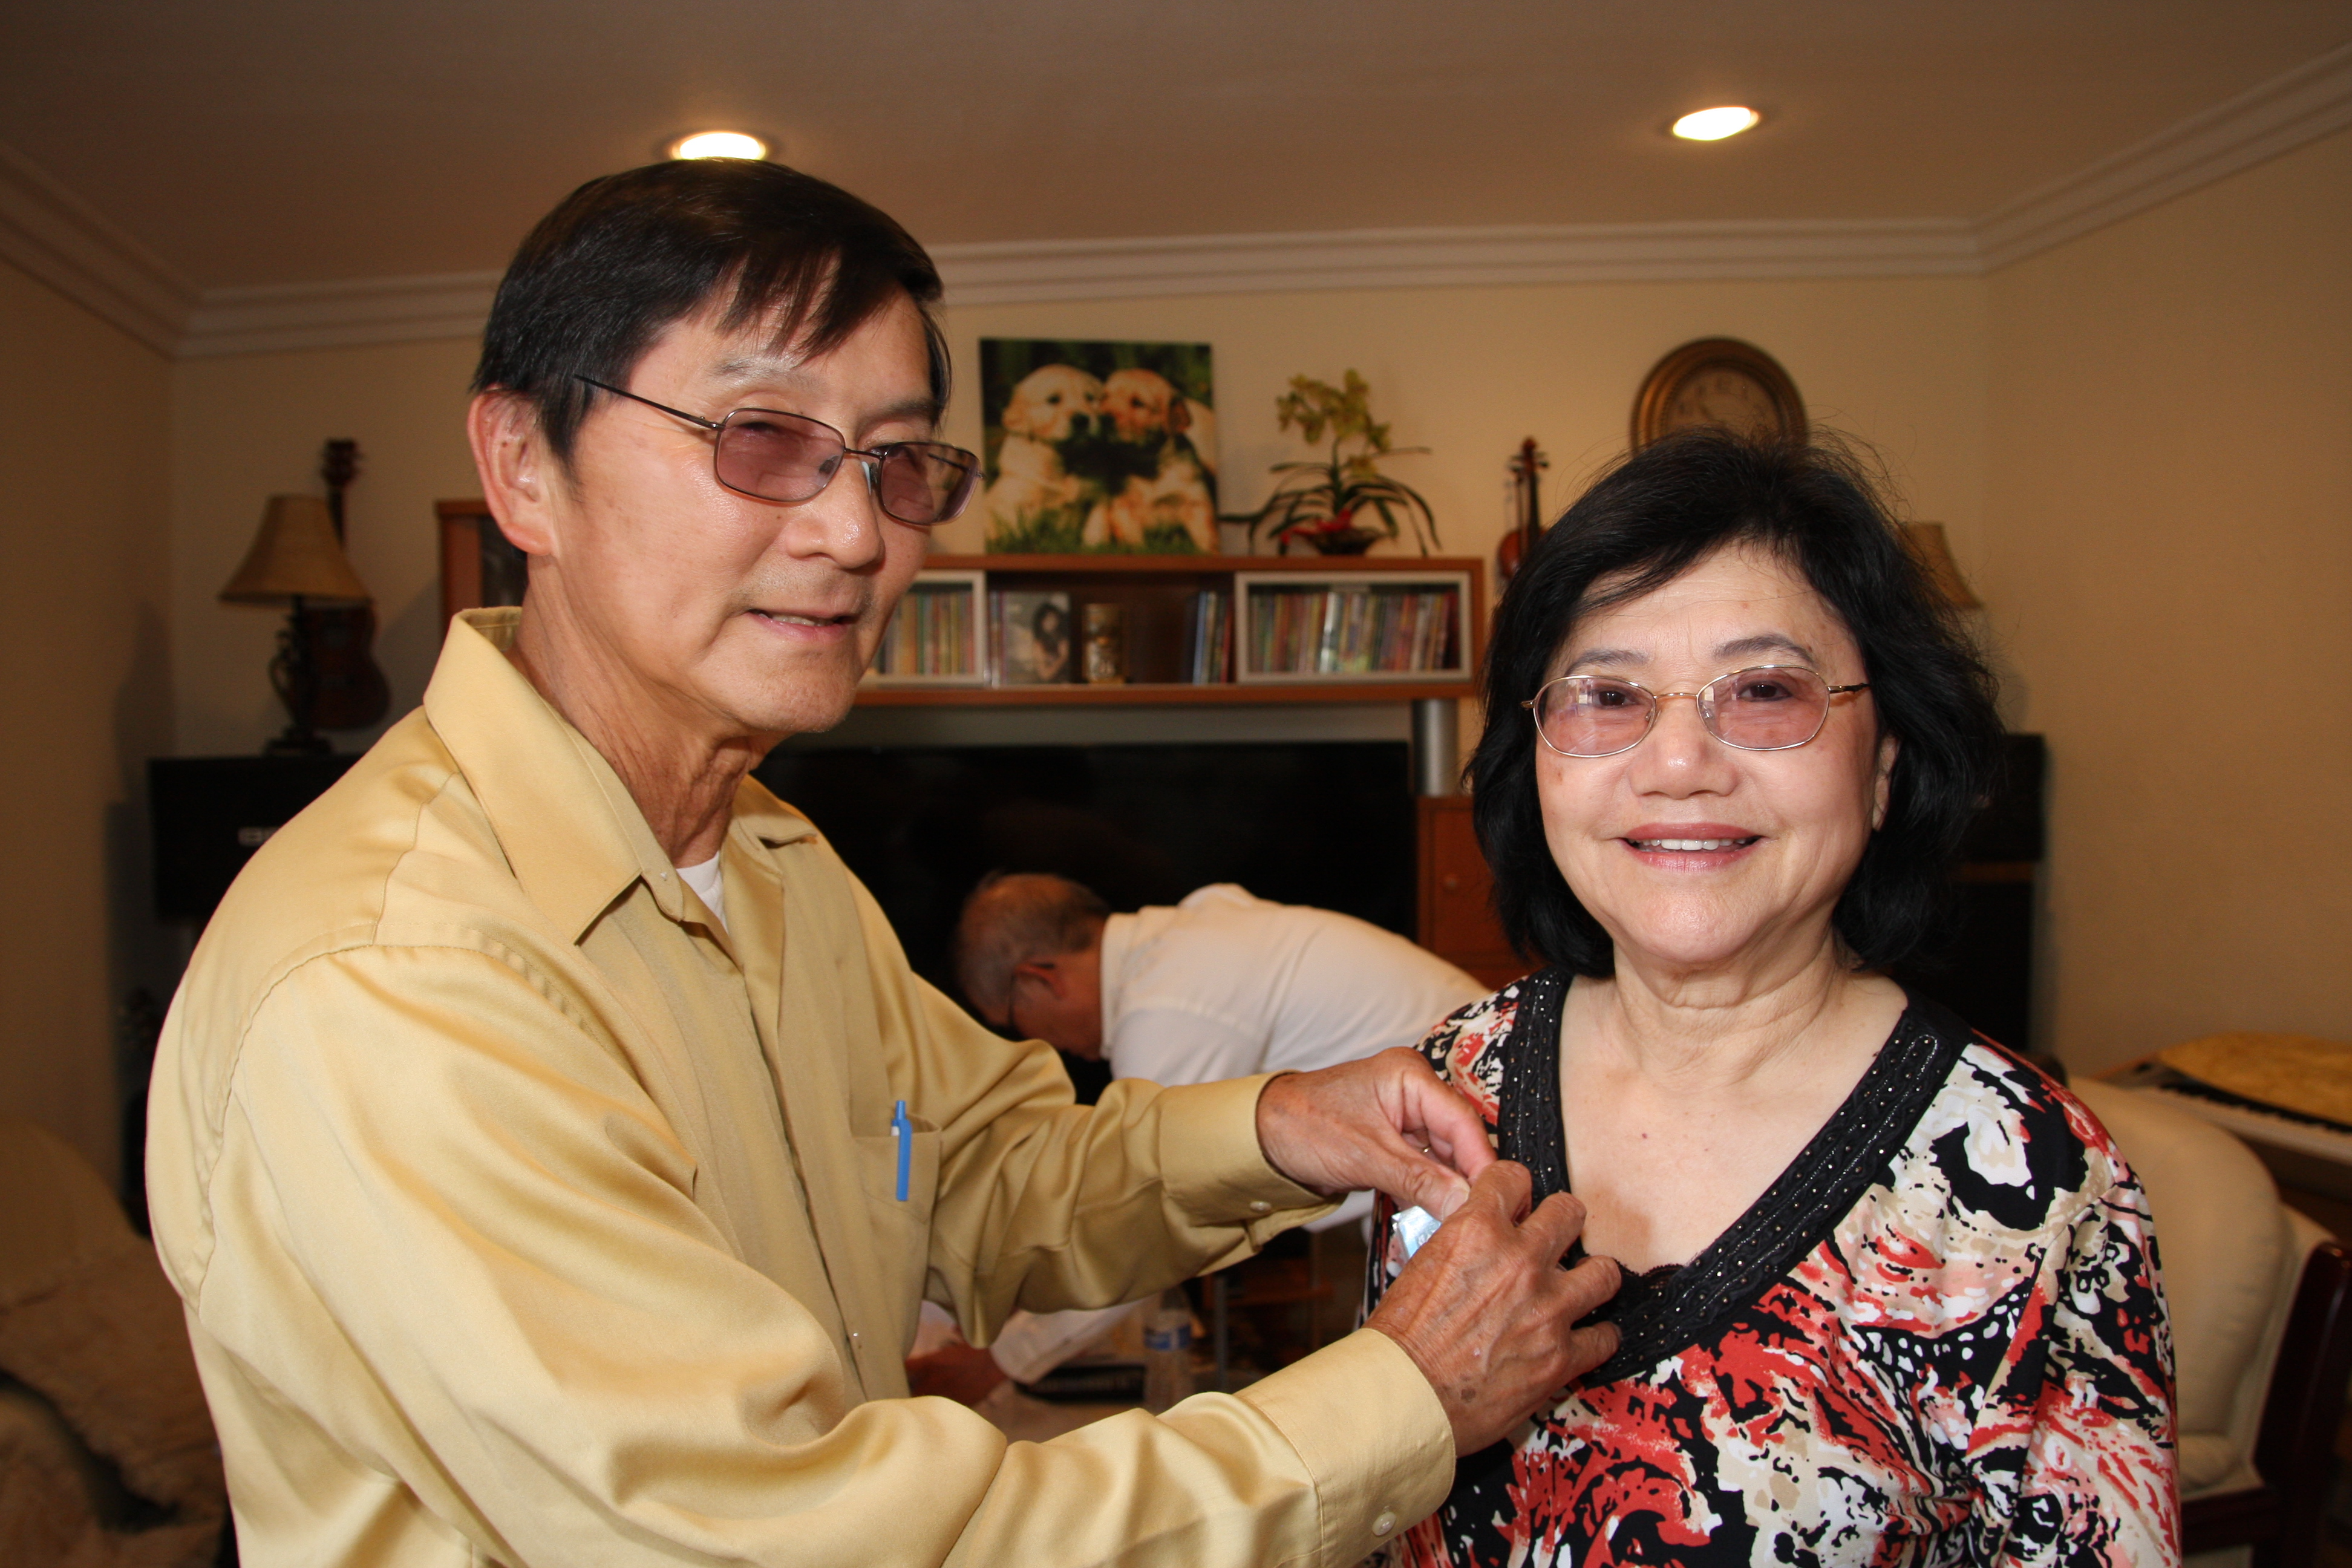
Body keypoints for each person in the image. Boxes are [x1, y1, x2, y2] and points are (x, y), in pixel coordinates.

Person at [142, 158, 1622, 1568]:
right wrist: (1397, 1401)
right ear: (525, 468)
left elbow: (984, 1168)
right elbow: (793, 1539)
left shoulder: (774, 858)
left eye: (896, 461)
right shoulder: (393, 979)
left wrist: (1283, 1125)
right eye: (758, 437)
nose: (855, 531)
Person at [1364, 431, 2178, 1566]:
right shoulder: (1456, 1082)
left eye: (1762, 690)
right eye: (1608, 694)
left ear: (1884, 764)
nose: (1677, 762)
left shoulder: (2031, 1189)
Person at [953, 874, 1487, 1229]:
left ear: (1039, 980)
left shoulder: (1161, 1010)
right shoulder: (1188, 930)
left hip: (1472, 1140)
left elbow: (1141, 1222)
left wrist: (1006, 1354)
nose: (1040, 1046)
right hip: (1474, 1099)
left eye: (1015, 1025)